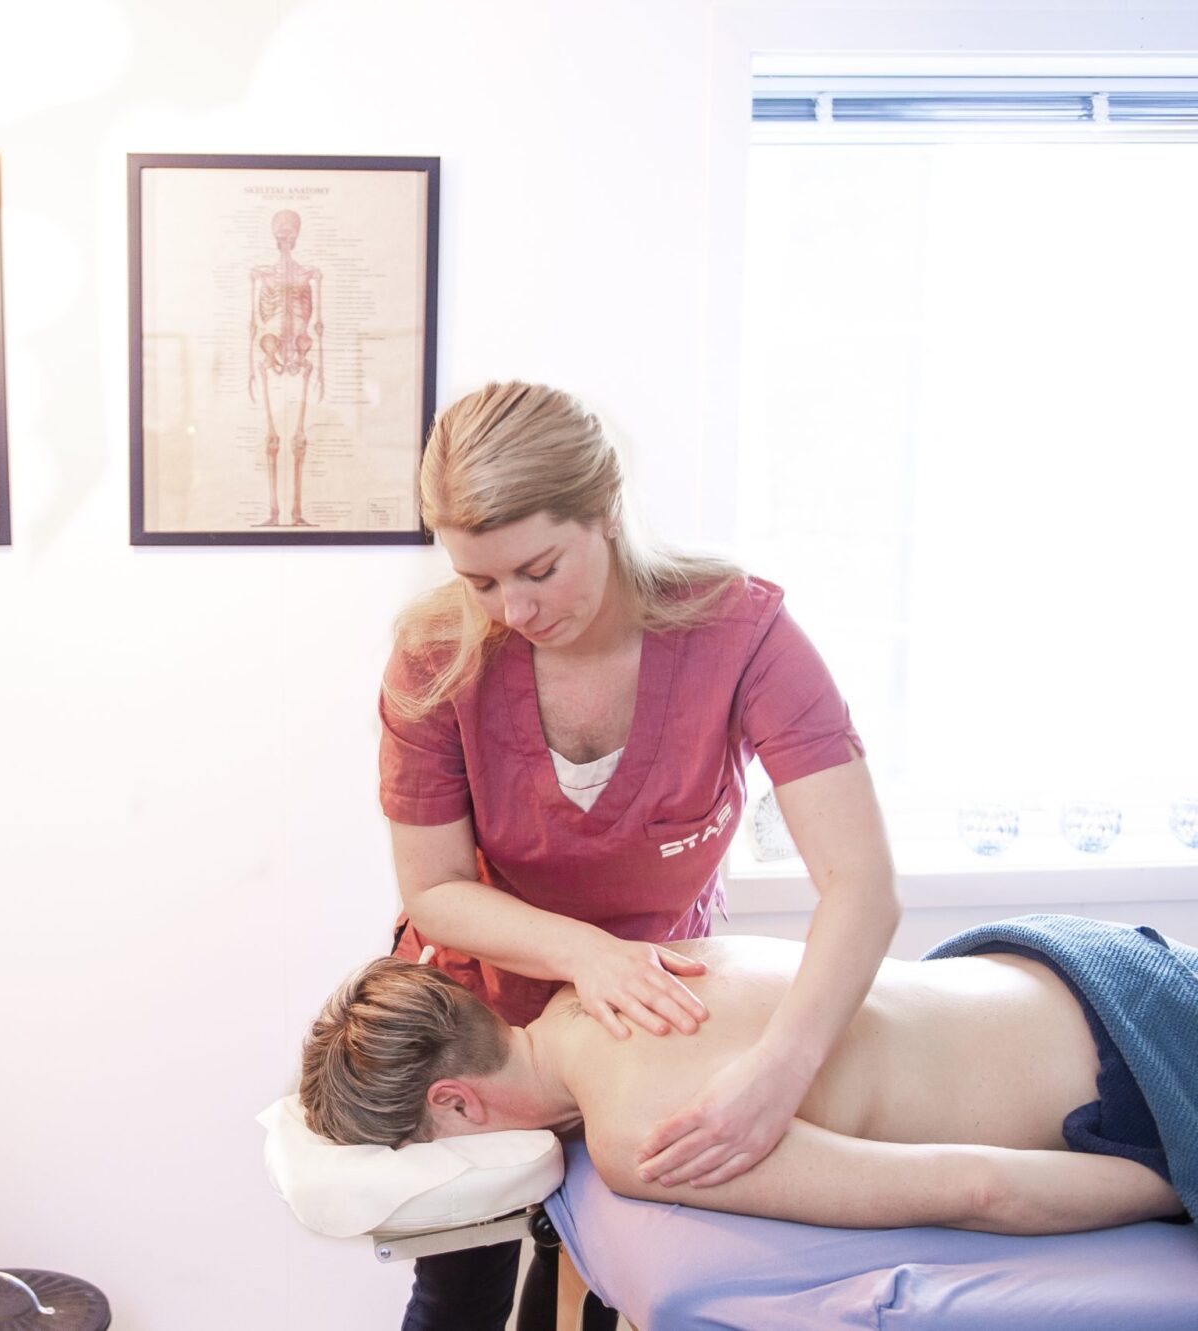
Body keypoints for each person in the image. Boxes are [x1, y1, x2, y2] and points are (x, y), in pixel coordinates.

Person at [377, 382, 899, 1326]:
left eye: (538, 567)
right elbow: (436, 886)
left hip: (658, 1024)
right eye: (479, 580)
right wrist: (587, 954)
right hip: (485, 1019)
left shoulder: (742, 635)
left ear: (606, 512)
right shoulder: (434, 654)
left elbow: (861, 886)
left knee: (619, 1279)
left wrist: (783, 1068)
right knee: (460, 1286)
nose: (513, 609)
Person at [297, 915, 1193, 1235]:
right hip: (1080, 957)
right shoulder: (618, 974)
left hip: (1141, 1073)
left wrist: (1174, 1187)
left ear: (453, 1099)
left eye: (429, 1142)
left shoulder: (631, 1137)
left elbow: (979, 1188)